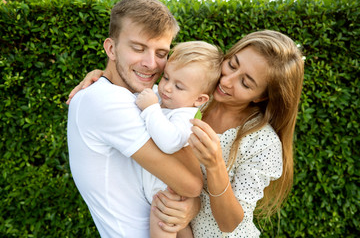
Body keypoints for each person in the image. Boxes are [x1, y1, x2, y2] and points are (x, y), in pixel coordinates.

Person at [68, 30, 304, 237]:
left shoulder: (262, 143)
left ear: (261, 96)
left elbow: (230, 224)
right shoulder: (190, 97)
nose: (227, 80)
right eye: (232, 64)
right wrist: (103, 77)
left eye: (246, 83)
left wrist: (214, 166)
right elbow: (139, 92)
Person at [67, 0, 203, 237]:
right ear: (111, 49)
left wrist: (191, 207)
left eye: (161, 53)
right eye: (138, 48)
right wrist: (192, 201)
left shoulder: (144, 97)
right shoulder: (104, 101)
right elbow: (190, 184)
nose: (151, 64)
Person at [136, 41, 223, 238]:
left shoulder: (186, 115)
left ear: (199, 100)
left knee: (163, 227)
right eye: (166, 77)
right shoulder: (168, 100)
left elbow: (169, 142)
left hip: (170, 192)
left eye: (178, 86)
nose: (166, 87)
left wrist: (150, 109)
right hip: (161, 187)